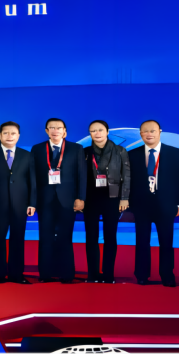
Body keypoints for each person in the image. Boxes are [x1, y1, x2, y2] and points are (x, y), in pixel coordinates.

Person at [129, 120, 179, 287]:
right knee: (142, 242)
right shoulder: (132, 154)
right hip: (141, 205)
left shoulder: (175, 153)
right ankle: (141, 275)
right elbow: (127, 181)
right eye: (145, 131)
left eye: (152, 131)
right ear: (140, 134)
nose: (149, 134)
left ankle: (167, 275)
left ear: (160, 131)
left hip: (166, 204)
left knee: (166, 242)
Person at [31, 118, 86, 283]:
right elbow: (33, 177)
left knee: (65, 236)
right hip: (45, 200)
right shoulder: (37, 149)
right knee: (45, 237)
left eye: (59, 128)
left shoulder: (76, 148)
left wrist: (81, 198)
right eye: (52, 128)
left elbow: (81, 175)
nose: (55, 130)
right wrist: (33, 201)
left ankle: (67, 274)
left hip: (68, 200)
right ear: (47, 131)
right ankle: (45, 274)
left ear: (65, 131)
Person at [0, 121, 36, 284]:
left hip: (21, 205)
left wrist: (32, 203)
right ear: (0, 135)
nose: (9, 136)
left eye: (13, 133)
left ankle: (16, 275)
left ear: (18, 136)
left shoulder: (27, 155)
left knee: (18, 239)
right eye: (5, 133)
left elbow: (32, 181)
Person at [80, 120, 131, 283]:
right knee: (91, 237)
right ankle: (93, 274)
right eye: (93, 131)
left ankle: (109, 274)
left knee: (110, 236)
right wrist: (80, 198)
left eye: (100, 130)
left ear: (107, 132)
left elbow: (127, 176)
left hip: (113, 198)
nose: (97, 133)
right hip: (90, 199)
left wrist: (124, 198)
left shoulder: (120, 151)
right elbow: (79, 178)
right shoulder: (85, 152)